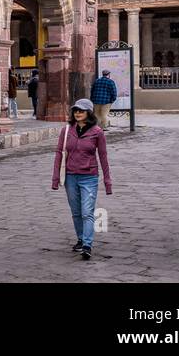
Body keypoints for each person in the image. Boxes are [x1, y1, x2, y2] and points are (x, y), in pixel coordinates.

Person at [51, 98, 113, 261]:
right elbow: (59, 154)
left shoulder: (97, 132)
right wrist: (55, 178)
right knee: (76, 212)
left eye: (81, 110)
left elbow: (103, 157)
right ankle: (80, 239)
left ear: (89, 113)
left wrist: (107, 181)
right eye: (76, 110)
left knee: (87, 212)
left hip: (89, 177)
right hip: (70, 177)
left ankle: (87, 245)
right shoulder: (66, 131)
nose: (78, 113)